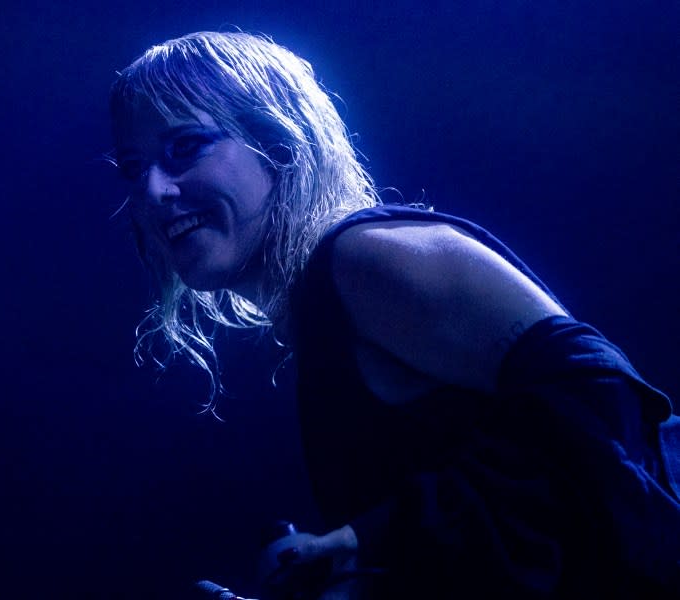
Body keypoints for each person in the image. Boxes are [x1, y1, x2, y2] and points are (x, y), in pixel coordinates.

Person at [108, 31, 680, 598]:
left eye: (185, 147)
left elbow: (609, 408)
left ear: (279, 143)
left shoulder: (361, 259)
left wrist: (371, 539)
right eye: (133, 169)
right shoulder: (320, 309)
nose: (153, 190)